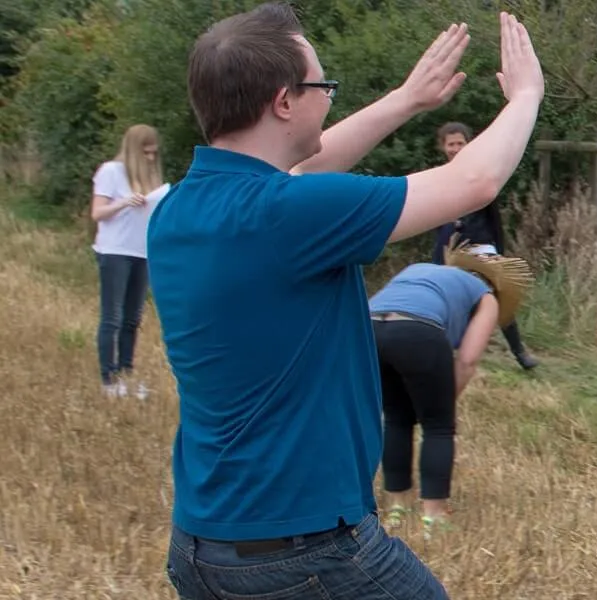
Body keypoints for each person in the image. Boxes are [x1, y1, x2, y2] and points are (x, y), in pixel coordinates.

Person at [146, 3, 545, 598]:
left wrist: (406, 100)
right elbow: (473, 182)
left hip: (203, 546)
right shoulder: (286, 214)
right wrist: (526, 97)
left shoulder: (180, 209)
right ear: (284, 101)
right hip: (303, 551)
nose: (329, 97)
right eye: (322, 86)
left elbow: (302, 166)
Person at [369, 242, 533, 532]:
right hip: (417, 332)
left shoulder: (421, 270)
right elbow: (468, 361)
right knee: (439, 426)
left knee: (396, 418)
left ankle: (396, 507)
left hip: (368, 327)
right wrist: (442, 402)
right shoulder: (486, 297)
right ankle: (433, 515)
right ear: (492, 281)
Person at [429, 121, 539, 370]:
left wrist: (497, 250)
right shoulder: (436, 177)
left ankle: (519, 353)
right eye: (451, 144)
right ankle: (445, 352)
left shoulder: (481, 173)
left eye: (460, 143)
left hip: (481, 247)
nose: (456, 148)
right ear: (443, 147)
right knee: (445, 301)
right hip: (450, 250)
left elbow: (493, 219)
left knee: (500, 296)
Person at [88, 124, 168, 399]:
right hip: (114, 250)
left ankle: (126, 371)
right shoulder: (110, 171)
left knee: (133, 318)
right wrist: (123, 203)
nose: (149, 159)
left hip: (141, 251)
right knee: (113, 316)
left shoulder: (150, 178)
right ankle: (107, 378)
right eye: (145, 153)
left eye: (153, 154)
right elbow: (97, 213)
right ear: (134, 150)